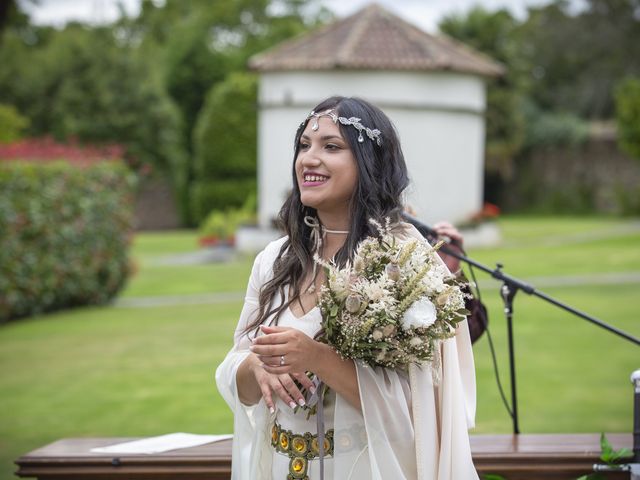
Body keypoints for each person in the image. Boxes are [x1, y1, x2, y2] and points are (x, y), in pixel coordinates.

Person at [216, 96, 479, 479]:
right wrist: (255, 367)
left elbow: (417, 410)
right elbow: (236, 372)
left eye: (331, 147)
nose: (309, 158)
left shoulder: (404, 262)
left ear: (368, 161)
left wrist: (316, 357)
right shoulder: (273, 260)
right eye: (304, 145)